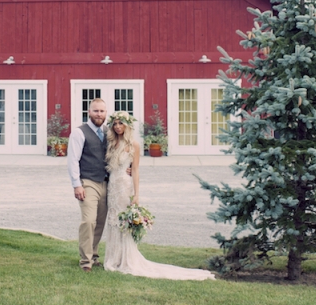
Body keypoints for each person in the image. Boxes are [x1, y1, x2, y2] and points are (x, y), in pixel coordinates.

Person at [102, 111, 216, 280]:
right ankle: (113, 258)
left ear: (127, 125)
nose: (118, 127)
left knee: (122, 222)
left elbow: (136, 170)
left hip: (124, 187)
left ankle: (126, 259)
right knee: (113, 221)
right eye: (115, 124)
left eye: (121, 123)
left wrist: (136, 194)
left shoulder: (134, 145)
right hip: (112, 185)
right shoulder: (111, 143)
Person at [67, 98, 110, 272]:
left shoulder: (108, 132)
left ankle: (94, 256)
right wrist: (76, 185)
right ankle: (85, 261)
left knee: (100, 222)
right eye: (95, 111)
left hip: (106, 182)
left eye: (102, 111)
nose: (99, 114)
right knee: (88, 221)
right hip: (88, 182)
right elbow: (73, 160)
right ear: (89, 112)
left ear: (106, 113)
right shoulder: (79, 133)